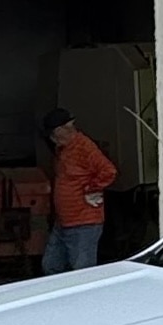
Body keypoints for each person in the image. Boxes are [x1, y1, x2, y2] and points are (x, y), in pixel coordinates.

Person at [42, 105, 116, 272]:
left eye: (54, 133)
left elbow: (109, 171)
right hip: (63, 222)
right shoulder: (62, 148)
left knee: (82, 272)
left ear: (62, 129)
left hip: (84, 223)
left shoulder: (84, 147)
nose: (52, 138)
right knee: (51, 265)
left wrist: (91, 189)